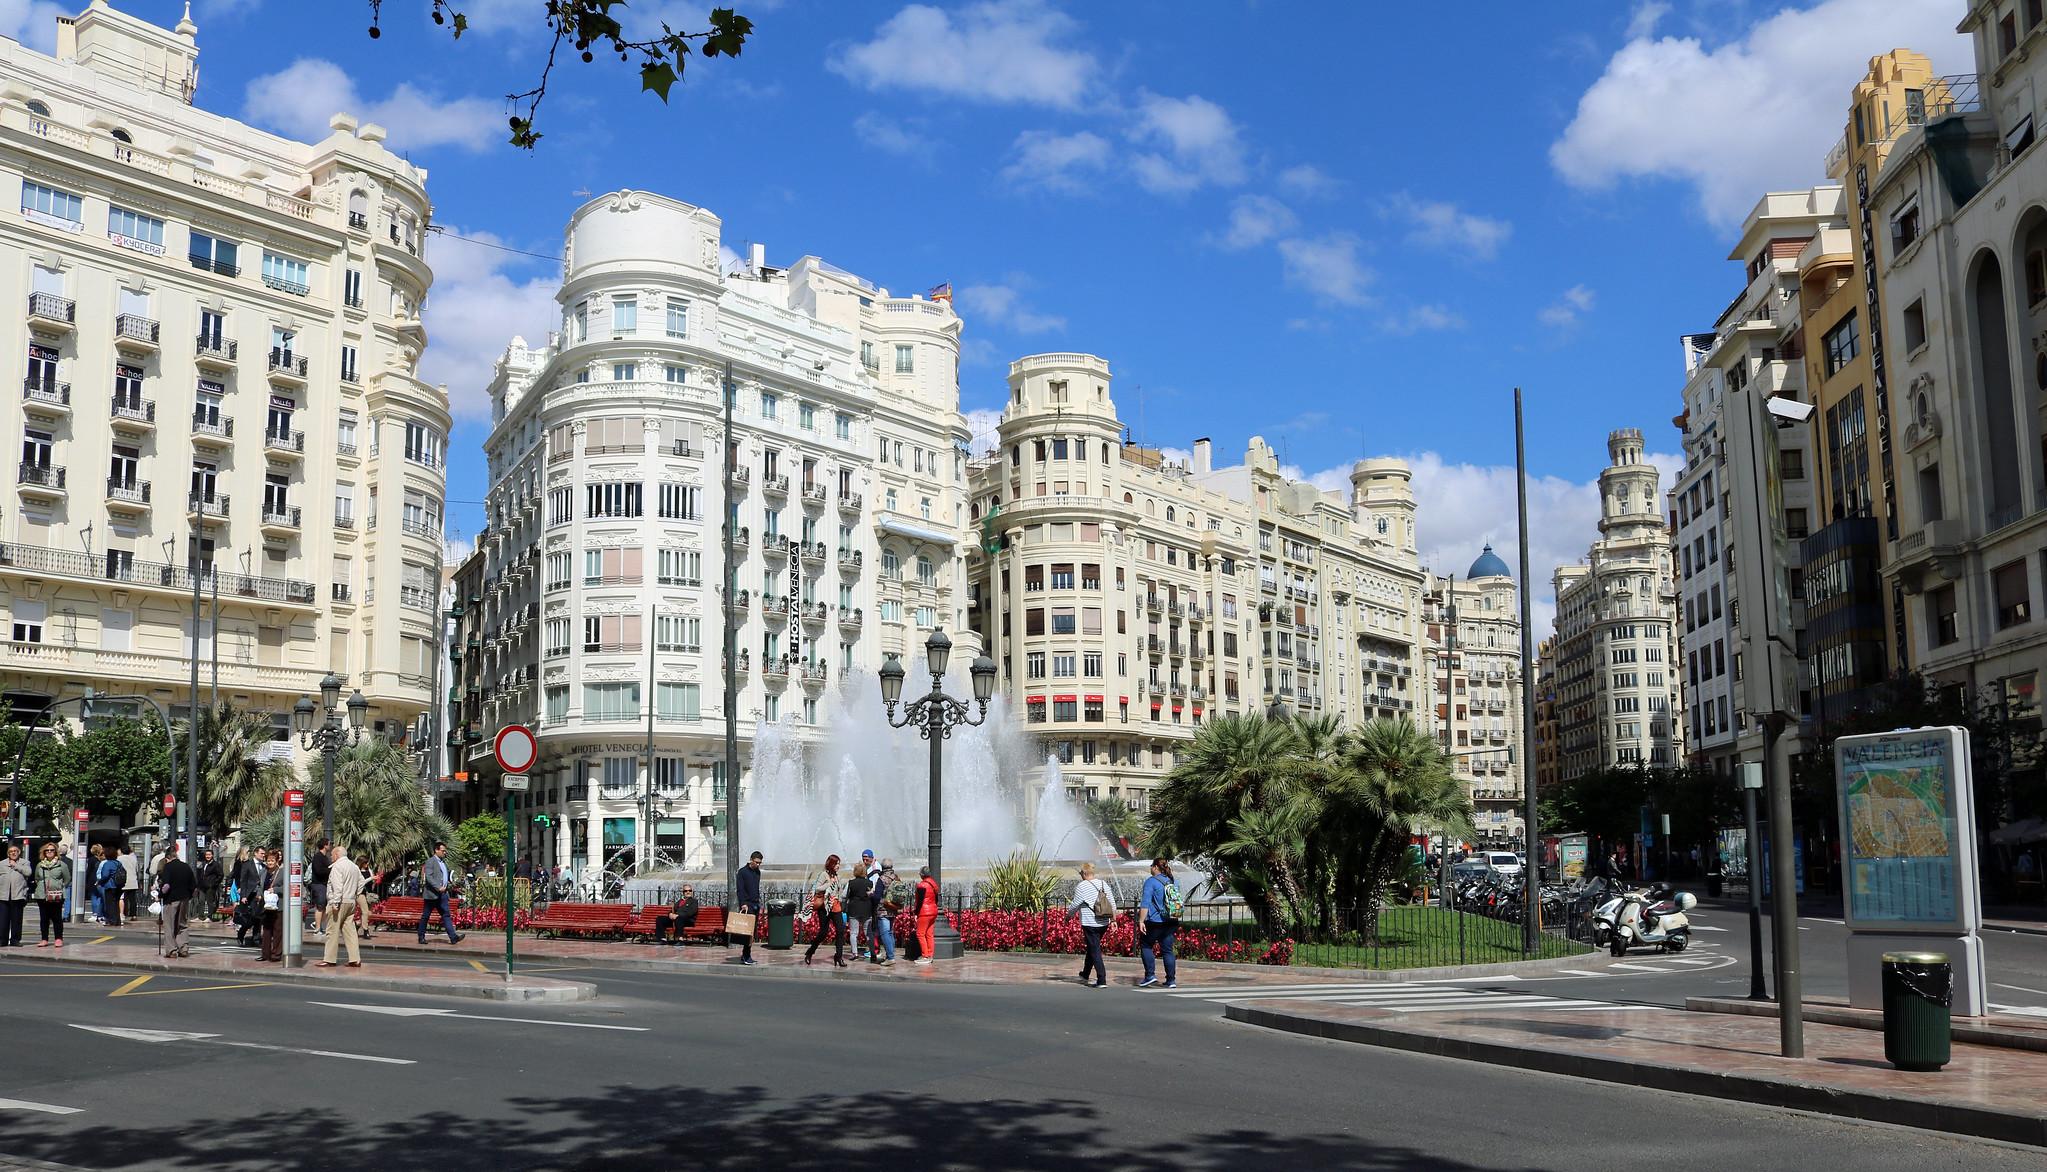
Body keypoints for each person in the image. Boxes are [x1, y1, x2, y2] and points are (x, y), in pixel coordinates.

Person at [318, 843, 365, 968]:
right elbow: (361, 882)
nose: (331, 857)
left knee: (332, 930)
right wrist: (355, 894)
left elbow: (337, 887)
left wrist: (335, 902)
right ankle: (355, 959)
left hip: (339, 901)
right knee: (350, 931)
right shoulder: (354, 866)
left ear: (337, 854)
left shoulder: (337, 867)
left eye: (332, 854)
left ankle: (329, 959)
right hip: (351, 901)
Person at [1069, 862, 1114, 988]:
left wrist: (1068, 916)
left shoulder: (1082, 886)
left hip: (1090, 923)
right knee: (1092, 946)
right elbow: (1112, 903)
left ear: (1084, 873)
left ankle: (1101, 979)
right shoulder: (1103, 884)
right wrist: (1114, 920)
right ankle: (1085, 973)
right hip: (1104, 922)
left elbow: (1075, 904)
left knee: (1094, 949)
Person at [1138, 858, 1178, 989]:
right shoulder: (1173, 880)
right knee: (1167, 950)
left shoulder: (1151, 882)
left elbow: (1145, 903)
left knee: (1146, 945)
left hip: (1155, 921)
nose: (1150, 868)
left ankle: (1150, 975)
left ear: (1155, 867)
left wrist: (1141, 920)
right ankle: (1171, 980)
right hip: (1171, 920)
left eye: (1151, 866)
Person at [803, 854, 847, 967]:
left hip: (836, 906)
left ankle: (839, 956)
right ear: (831, 864)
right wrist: (828, 884)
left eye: (839, 864)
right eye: (837, 864)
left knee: (841, 930)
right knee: (823, 933)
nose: (838, 866)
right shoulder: (824, 875)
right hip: (825, 907)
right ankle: (810, 952)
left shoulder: (836, 876)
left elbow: (838, 890)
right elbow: (816, 888)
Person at [416, 841, 464, 945]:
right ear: (436, 850)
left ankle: (453, 937)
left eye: (445, 851)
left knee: (446, 915)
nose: (444, 853)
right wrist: (438, 887)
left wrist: (449, 885)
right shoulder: (430, 862)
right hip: (432, 895)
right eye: (443, 851)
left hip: (442, 895)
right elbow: (429, 877)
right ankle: (421, 936)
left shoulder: (443, 862)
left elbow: (444, 877)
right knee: (426, 916)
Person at [155, 842, 197, 958]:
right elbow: (193, 886)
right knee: (182, 924)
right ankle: (183, 949)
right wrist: (188, 896)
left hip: (171, 899)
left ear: (167, 858)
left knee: (169, 925)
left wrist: (160, 895)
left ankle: (171, 950)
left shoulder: (168, 867)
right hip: (184, 899)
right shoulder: (186, 866)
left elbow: (166, 886)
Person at [34, 843, 69, 948]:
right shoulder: (40, 865)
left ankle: (58, 938)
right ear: (44, 852)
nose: (49, 852)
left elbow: (67, 879)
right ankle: (44, 939)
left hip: (56, 895)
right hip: (42, 895)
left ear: (56, 851)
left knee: (56, 918)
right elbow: (37, 878)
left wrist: (58, 886)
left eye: (52, 850)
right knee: (44, 918)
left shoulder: (61, 864)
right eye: (47, 850)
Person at [733, 851, 762, 965]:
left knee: (752, 932)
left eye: (760, 863)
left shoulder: (757, 872)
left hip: (755, 904)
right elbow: (740, 890)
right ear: (751, 860)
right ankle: (746, 956)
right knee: (747, 932)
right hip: (747, 905)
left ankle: (746, 955)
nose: (758, 865)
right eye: (756, 862)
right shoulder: (742, 872)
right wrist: (743, 903)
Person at [869, 860, 900, 966]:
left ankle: (890, 957)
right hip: (893, 909)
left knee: (885, 933)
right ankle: (890, 955)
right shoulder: (896, 877)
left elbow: (877, 897)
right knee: (890, 932)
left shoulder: (882, 879)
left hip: (883, 911)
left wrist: (871, 894)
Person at [232, 847, 264, 946]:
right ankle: (241, 934)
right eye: (261, 853)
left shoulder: (264, 866)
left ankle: (256, 938)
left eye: (264, 854)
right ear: (255, 853)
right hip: (250, 895)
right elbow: (243, 880)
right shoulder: (247, 865)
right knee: (250, 918)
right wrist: (243, 896)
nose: (263, 855)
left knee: (258, 917)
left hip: (260, 895)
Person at [0, 843, 30, 948]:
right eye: (11, 851)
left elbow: (28, 872)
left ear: (19, 852)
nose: (13, 853)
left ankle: (15, 940)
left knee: (16, 920)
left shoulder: (25, 863)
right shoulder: (2, 863)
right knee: (3, 920)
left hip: (18, 895)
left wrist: (15, 865)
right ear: (8, 854)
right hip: (3, 896)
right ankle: (2, 940)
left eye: (15, 851)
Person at [259, 848, 286, 963]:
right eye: (268, 861)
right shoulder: (263, 872)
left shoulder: (282, 872)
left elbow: (287, 888)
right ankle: (265, 954)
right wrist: (259, 894)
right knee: (266, 930)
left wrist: (275, 889)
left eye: (272, 861)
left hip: (278, 905)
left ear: (277, 861)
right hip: (266, 905)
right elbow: (259, 885)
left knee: (277, 930)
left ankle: (276, 954)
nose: (270, 863)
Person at [843, 861, 874, 961]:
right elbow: (872, 895)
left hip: (854, 909)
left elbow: (844, 895)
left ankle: (854, 953)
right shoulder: (869, 883)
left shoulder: (851, 883)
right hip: (866, 909)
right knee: (868, 932)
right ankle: (872, 952)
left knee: (853, 933)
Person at [913, 864, 940, 966]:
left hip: (924, 912)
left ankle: (925, 956)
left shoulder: (922, 885)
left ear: (922, 875)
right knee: (929, 934)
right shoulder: (934, 884)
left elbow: (919, 901)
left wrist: (916, 913)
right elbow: (936, 899)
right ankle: (930, 955)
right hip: (933, 911)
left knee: (920, 934)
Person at [307, 837, 332, 936]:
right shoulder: (318, 857)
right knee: (320, 906)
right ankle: (317, 928)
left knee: (324, 906)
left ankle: (320, 926)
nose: (330, 846)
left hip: (324, 884)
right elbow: (318, 871)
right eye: (329, 844)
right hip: (318, 884)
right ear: (325, 845)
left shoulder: (325, 857)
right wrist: (330, 870)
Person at [96, 846, 125, 928]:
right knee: (116, 903)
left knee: (109, 904)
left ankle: (111, 920)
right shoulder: (118, 863)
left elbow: (105, 875)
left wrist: (99, 882)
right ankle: (117, 920)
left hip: (110, 886)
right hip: (119, 885)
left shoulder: (107, 864)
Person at [196, 848, 223, 923]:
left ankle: (210, 917)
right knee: (201, 900)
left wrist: (214, 883)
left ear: (212, 855)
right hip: (202, 886)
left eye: (209, 855)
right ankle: (201, 916)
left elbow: (220, 875)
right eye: (206, 855)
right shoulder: (204, 863)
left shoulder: (215, 864)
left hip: (210, 886)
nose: (207, 856)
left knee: (210, 901)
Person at [118, 845, 140, 920]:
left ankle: (123, 913)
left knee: (122, 898)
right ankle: (133, 915)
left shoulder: (119, 859)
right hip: (133, 880)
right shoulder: (134, 858)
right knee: (132, 899)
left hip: (123, 881)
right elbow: (137, 870)